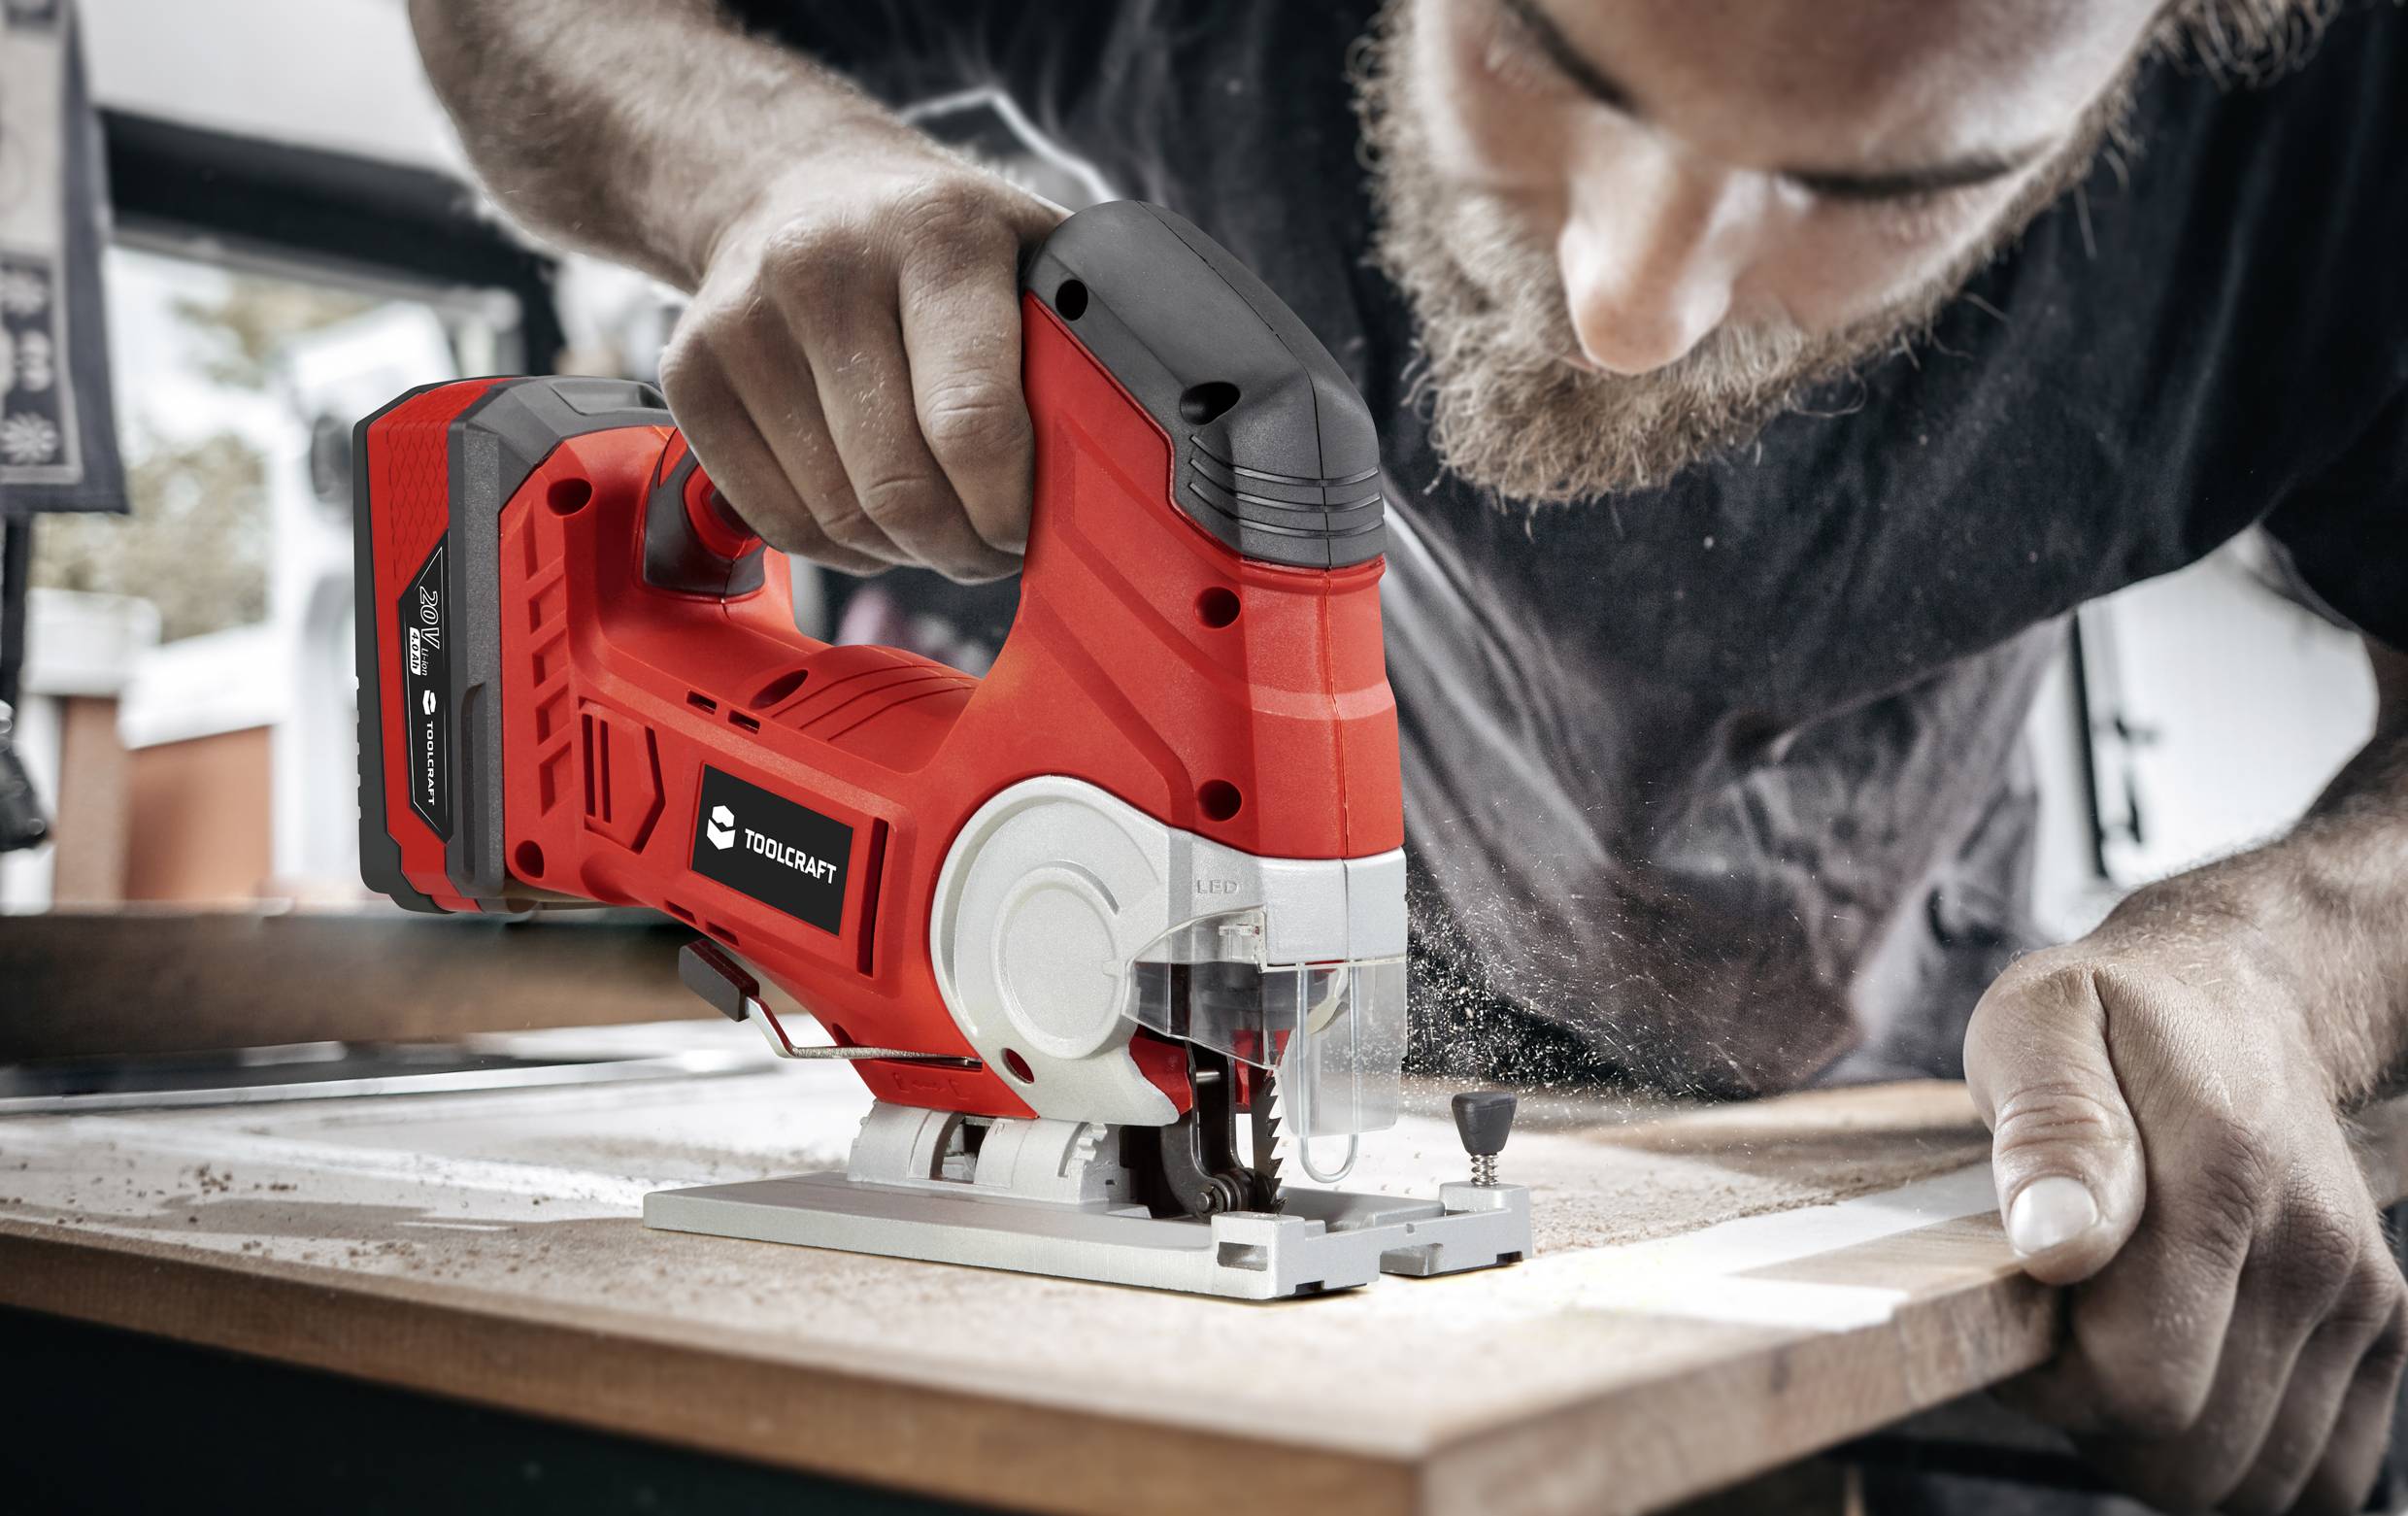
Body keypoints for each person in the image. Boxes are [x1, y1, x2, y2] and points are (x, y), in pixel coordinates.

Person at [409, 1, 2408, 1507]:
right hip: (1277, 1048)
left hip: (1908, 1074)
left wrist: (2286, 955)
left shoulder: (2366, 127)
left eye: (1875, 185)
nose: (1630, 301)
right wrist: (772, 169)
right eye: (1544, 48)